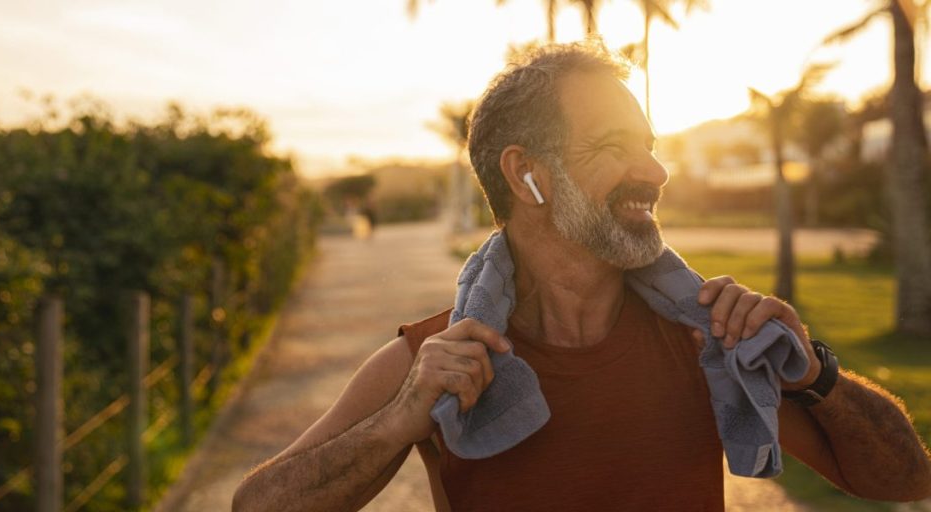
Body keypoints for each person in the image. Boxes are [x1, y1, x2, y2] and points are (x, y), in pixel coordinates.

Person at [233, 41, 931, 511]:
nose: (655, 172)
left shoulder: (708, 340)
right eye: (614, 147)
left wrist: (816, 375)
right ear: (526, 174)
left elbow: (903, 479)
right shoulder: (432, 361)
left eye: (651, 148)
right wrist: (396, 423)